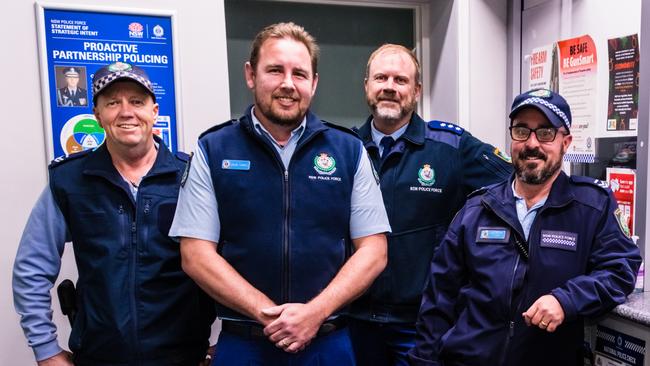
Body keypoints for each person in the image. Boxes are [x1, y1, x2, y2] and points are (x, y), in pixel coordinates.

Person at [169, 22, 390, 366]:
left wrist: (314, 313)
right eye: (275, 70)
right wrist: (272, 317)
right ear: (250, 75)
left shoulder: (348, 150)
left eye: (299, 74)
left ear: (313, 83)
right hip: (245, 344)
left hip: (327, 343)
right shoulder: (213, 148)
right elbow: (196, 254)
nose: (288, 84)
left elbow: (374, 251)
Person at [409, 89, 641, 366]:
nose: (532, 143)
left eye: (545, 133)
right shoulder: (478, 209)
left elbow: (619, 270)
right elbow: (438, 299)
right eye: (522, 131)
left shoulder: (592, 206)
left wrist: (566, 300)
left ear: (566, 142)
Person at [13, 61, 215, 366]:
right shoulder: (70, 180)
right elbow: (31, 269)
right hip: (99, 356)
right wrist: (46, 349)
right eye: (112, 103)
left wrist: (224, 340)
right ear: (97, 115)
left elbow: (229, 260)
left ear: (154, 111)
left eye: (137, 102)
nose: (126, 112)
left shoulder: (189, 177)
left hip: (183, 356)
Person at [348, 44, 512, 366]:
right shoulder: (345, 148)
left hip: (422, 325)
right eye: (381, 78)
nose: (390, 88)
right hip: (355, 322)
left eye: (401, 80)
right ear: (367, 84)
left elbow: (520, 183)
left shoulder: (451, 148)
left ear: (417, 90)